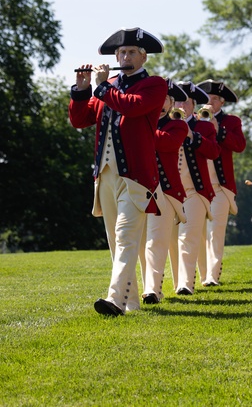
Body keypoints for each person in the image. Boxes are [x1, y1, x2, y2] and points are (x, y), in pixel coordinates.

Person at [68, 28, 167, 316]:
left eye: (132, 52)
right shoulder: (106, 86)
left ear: (143, 56)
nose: (125, 56)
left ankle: (114, 300)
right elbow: (80, 119)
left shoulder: (154, 85)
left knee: (125, 237)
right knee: (115, 239)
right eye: (121, 52)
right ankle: (130, 301)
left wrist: (100, 87)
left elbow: (132, 108)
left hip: (136, 176)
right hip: (106, 174)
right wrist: (82, 89)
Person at [141, 79, 190, 304]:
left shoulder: (177, 125)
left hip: (166, 191)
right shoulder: (140, 122)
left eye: (165, 100)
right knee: (140, 243)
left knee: (156, 241)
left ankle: (151, 290)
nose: (160, 104)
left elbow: (168, 144)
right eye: (156, 99)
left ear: (172, 103)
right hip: (138, 189)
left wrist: (143, 126)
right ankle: (146, 288)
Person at [196, 79, 246, 288]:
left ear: (222, 102)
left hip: (220, 186)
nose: (209, 102)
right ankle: (198, 274)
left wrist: (218, 130)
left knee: (215, 231)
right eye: (206, 98)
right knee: (196, 232)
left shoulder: (231, 121)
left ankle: (212, 276)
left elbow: (240, 145)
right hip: (198, 184)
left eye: (214, 99)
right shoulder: (193, 120)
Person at [174, 81, 219, 296]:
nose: (181, 105)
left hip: (195, 192)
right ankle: (172, 283)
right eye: (178, 101)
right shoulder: (163, 124)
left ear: (193, 105)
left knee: (187, 238)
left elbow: (214, 152)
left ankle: (185, 284)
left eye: (186, 102)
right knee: (170, 242)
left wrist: (193, 137)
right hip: (169, 192)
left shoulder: (205, 126)